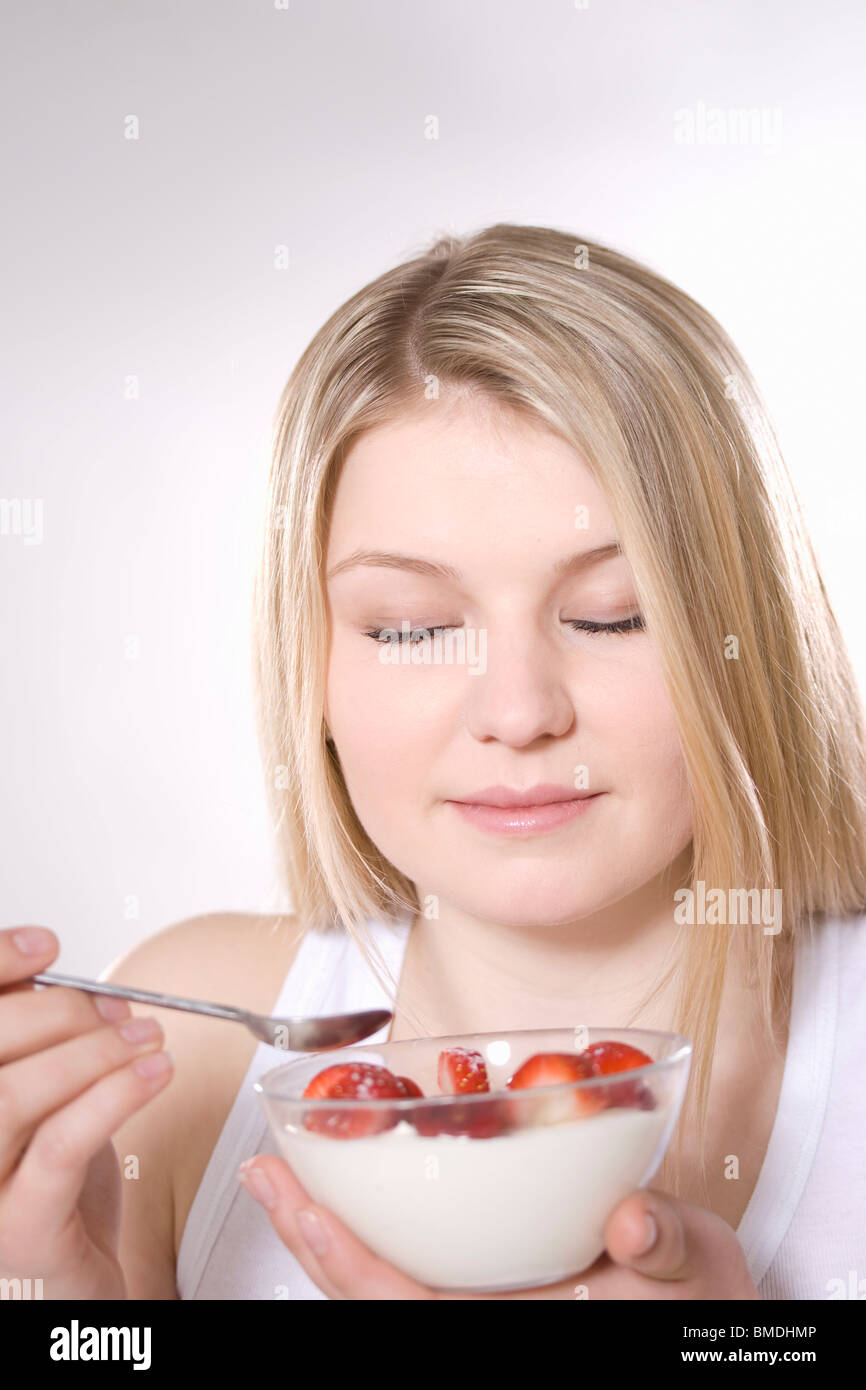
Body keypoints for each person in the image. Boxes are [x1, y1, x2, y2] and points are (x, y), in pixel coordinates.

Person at [3, 224, 865, 1300]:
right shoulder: (182, 1046)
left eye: (611, 616)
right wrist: (57, 1307)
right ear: (309, 665)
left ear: (744, 639)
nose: (516, 711)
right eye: (409, 627)